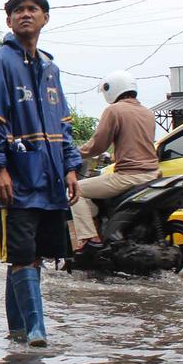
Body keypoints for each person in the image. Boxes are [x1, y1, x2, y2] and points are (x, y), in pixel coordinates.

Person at [0, 0, 82, 347]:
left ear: (45, 18)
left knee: (32, 257)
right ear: (8, 20)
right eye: (17, 10)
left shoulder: (51, 68)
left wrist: (71, 167)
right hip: (17, 178)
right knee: (22, 253)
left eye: (32, 9)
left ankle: (17, 331)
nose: (25, 14)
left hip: (49, 179)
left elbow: (63, 125)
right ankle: (38, 330)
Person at [71, 70, 161, 250]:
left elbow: (97, 145)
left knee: (75, 192)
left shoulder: (114, 110)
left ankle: (90, 240)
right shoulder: (148, 113)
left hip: (128, 176)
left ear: (111, 90)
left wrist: (73, 153)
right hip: (152, 175)